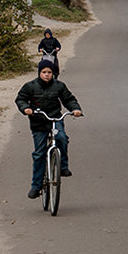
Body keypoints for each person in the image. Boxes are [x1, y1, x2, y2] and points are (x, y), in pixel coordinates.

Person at [16, 57, 83, 198]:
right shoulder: (30, 86)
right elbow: (21, 99)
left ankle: (63, 167)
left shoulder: (59, 86)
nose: (47, 74)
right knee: (39, 154)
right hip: (38, 122)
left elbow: (69, 99)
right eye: (44, 72)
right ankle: (36, 186)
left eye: (49, 72)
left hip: (54, 119)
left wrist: (75, 109)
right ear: (39, 72)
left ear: (53, 73)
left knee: (62, 138)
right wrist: (26, 108)